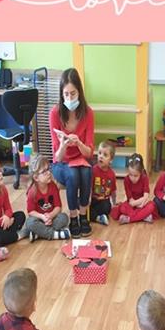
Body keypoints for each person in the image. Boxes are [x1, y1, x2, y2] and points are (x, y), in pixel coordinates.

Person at [49, 68, 94, 237]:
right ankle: (73, 217)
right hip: (62, 163)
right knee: (73, 174)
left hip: (82, 159)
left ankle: (83, 215)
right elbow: (57, 157)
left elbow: (89, 153)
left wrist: (79, 143)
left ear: (79, 92)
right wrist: (63, 145)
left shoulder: (88, 113)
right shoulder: (55, 113)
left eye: (73, 94)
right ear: (61, 95)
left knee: (86, 172)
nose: (69, 98)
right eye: (66, 94)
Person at [23, 154, 71, 241]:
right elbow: (31, 212)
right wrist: (42, 217)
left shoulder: (53, 186)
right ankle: (55, 234)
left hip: (52, 218)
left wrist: (51, 215)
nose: (49, 173)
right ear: (36, 178)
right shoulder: (32, 192)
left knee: (64, 217)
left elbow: (58, 207)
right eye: (44, 171)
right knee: (30, 223)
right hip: (39, 219)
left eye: (48, 169)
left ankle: (39, 233)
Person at [110, 153, 157, 224]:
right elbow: (131, 201)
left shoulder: (145, 178)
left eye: (135, 176)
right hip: (134, 204)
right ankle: (143, 216)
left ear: (141, 172)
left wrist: (140, 204)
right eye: (130, 175)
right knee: (123, 208)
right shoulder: (126, 180)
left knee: (151, 206)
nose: (132, 178)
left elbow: (146, 196)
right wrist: (137, 204)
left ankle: (129, 219)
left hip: (142, 204)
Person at [90, 141, 117, 225]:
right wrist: (88, 199)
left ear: (111, 160)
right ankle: (98, 218)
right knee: (82, 205)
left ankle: (97, 217)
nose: (101, 156)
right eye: (99, 153)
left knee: (107, 207)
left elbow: (113, 191)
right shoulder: (93, 170)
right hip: (92, 200)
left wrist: (114, 203)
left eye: (105, 155)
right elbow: (89, 188)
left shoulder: (112, 174)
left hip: (103, 201)